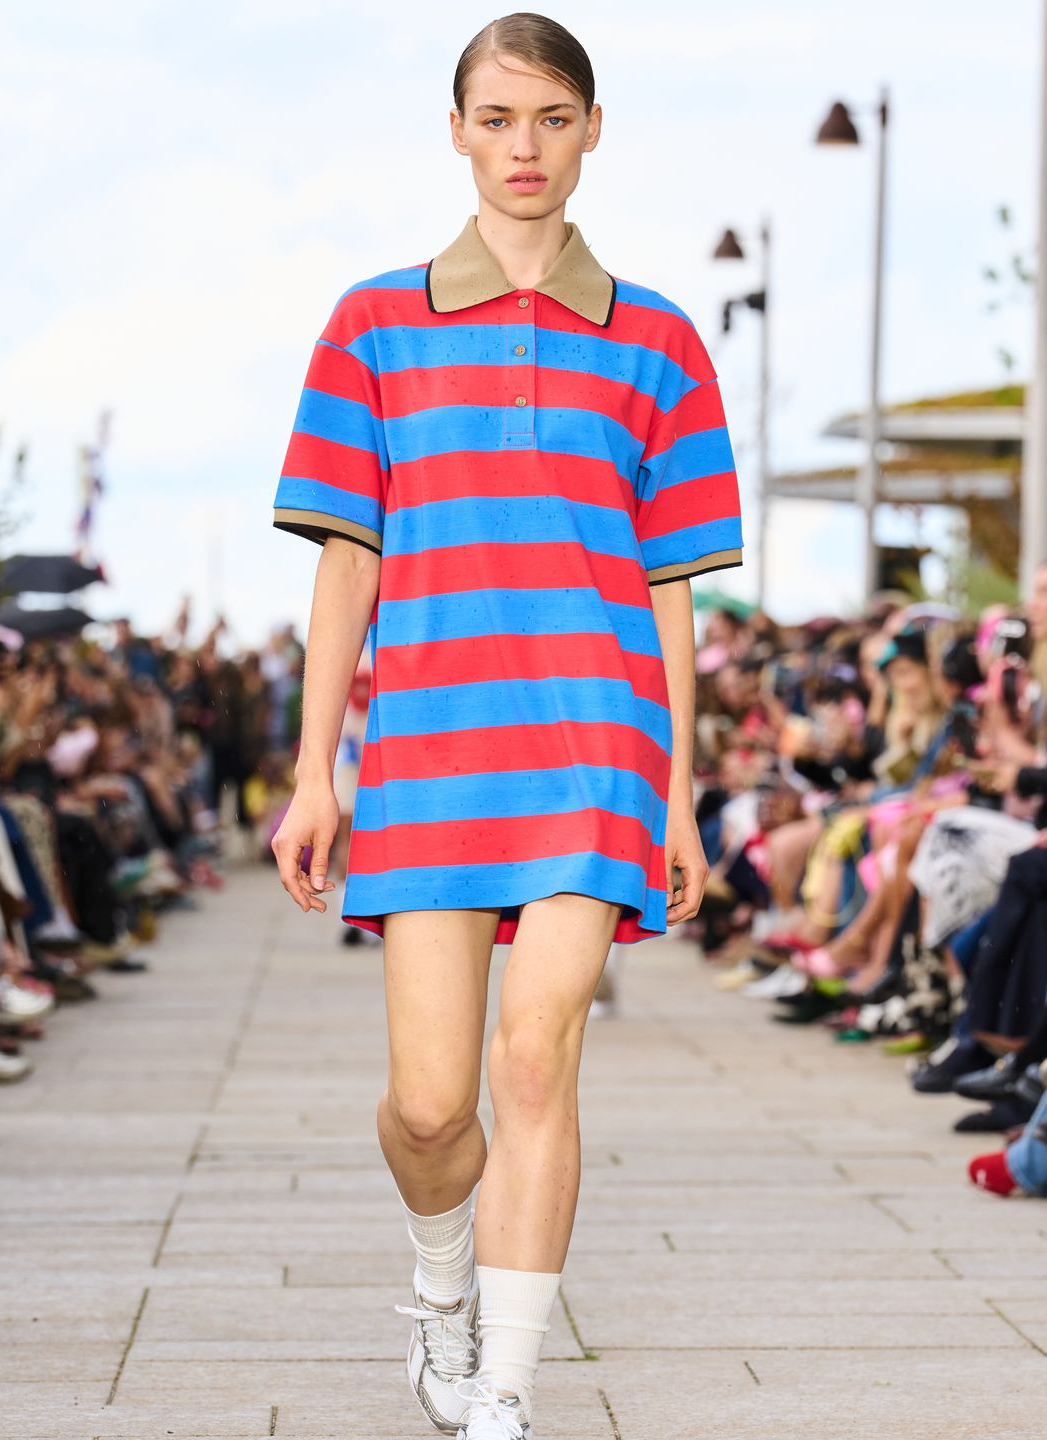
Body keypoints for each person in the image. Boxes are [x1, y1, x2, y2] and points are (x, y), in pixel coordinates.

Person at [269, 14, 742, 1440]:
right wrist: (313, 775)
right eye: (496, 117)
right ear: (457, 132)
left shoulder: (657, 339)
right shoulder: (373, 325)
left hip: (599, 747)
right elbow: (346, 559)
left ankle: (507, 1391)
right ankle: (439, 1278)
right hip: (426, 749)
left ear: (593, 128)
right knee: (428, 1111)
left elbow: (671, 592)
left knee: (536, 1059)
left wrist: (680, 793)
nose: (523, 146)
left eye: (550, 117)